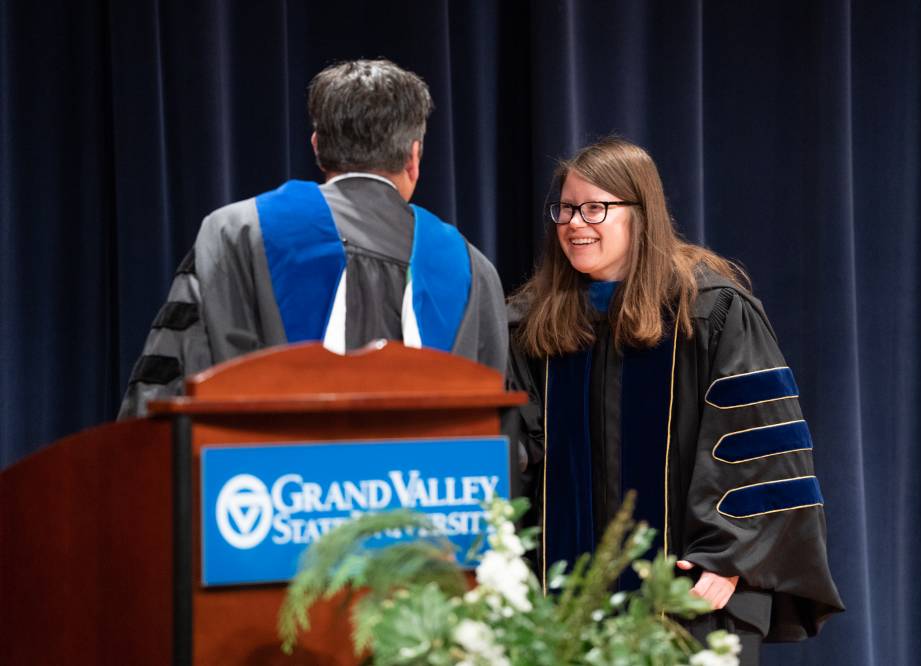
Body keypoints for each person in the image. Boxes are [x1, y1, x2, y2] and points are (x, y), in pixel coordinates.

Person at [506, 137, 843, 664]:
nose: (575, 223)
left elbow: (761, 450)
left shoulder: (709, 311)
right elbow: (516, 452)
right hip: (561, 607)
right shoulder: (532, 323)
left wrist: (731, 556)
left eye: (595, 208)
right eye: (566, 209)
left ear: (641, 214)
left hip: (691, 594)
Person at [119, 59, 507, 418]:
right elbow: (495, 438)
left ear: (318, 147)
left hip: (269, 486)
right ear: (414, 156)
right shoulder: (471, 269)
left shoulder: (235, 234)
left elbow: (165, 404)